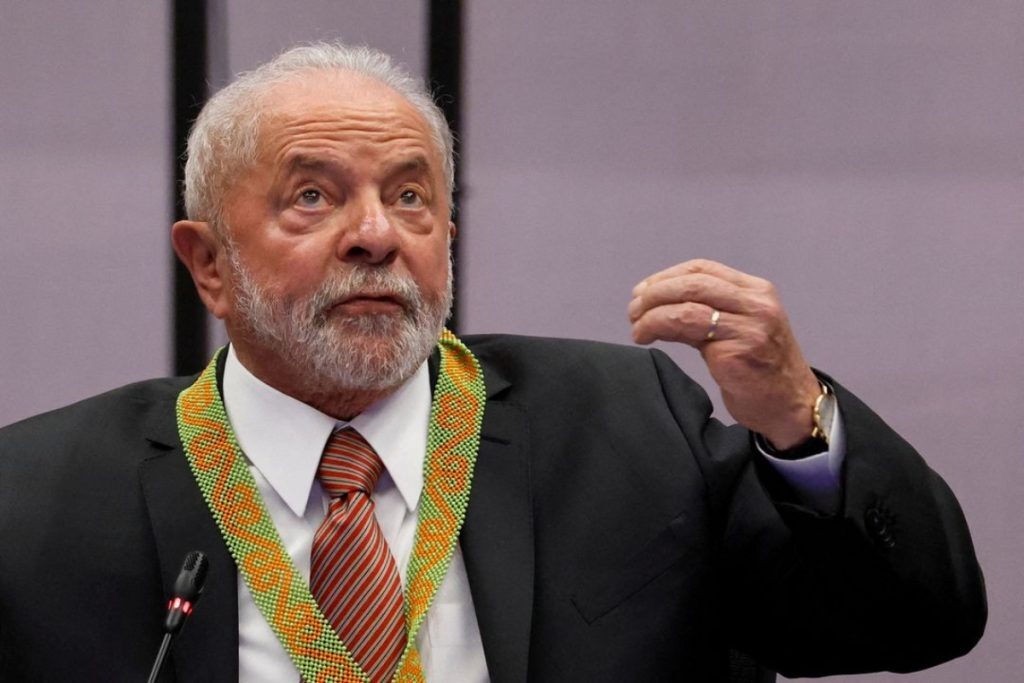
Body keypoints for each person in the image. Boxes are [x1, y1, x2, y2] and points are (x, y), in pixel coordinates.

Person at [0, 42, 985, 683]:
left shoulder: (628, 427)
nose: (377, 234)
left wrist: (795, 417)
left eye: (411, 197)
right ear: (209, 264)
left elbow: (912, 622)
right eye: (312, 196)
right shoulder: (35, 500)